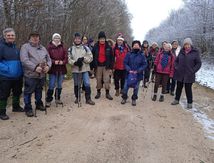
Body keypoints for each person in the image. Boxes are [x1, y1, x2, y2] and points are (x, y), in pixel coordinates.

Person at [20, 32, 52, 117]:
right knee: (28, 92)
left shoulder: (43, 48)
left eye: (37, 37)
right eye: (33, 37)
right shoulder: (25, 47)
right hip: (30, 74)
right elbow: (24, 60)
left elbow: (49, 59)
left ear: (39, 38)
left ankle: (39, 104)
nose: (35, 38)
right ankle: (28, 108)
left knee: (39, 90)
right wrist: (34, 67)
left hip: (42, 75)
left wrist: (48, 66)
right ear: (29, 38)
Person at [0, 28, 24, 120]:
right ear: (5, 36)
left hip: (18, 76)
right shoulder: (1, 46)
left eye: (12, 35)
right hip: (5, 76)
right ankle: (2, 112)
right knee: (3, 95)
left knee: (17, 92)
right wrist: (7, 69)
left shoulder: (16, 47)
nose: (11, 37)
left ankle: (16, 106)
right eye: (8, 35)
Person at [171, 38, 201, 109]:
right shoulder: (181, 52)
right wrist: (177, 67)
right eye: (185, 45)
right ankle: (176, 100)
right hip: (180, 74)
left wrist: (193, 70)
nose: (186, 46)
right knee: (178, 87)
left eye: (188, 44)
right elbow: (176, 61)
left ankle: (189, 103)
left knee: (188, 89)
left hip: (189, 74)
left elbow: (199, 63)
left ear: (190, 44)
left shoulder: (195, 52)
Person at [68, 32, 95, 105]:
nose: (77, 40)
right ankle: (77, 97)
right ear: (74, 39)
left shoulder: (85, 48)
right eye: (76, 38)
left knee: (87, 83)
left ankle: (88, 99)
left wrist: (83, 59)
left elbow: (90, 57)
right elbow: (69, 59)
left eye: (79, 39)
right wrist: (75, 62)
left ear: (81, 39)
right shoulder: (70, 49)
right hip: (75, 69)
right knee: (76, 84)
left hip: (85, 69)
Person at [121, 40, 147, 106]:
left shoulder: (142, 55)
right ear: (132, 46)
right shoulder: (129, 54)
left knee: (136, 88)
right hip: (128, 74)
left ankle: (134, 99)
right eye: (134, 45)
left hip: (138, 74)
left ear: (139, 46)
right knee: (125, 87)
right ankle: (124, 97)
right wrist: (128, 69)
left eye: (137, 45)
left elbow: (144, 64)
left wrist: (138, 70)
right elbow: (125, 62)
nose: (136, 46)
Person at [45, 33, 68, 107]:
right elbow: (47, 58)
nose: (57, 39)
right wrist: (54, 61)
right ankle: (48, 100)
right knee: (51, 85)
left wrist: (63, 62)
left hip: (61, 69)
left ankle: (57, 98)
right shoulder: (49, 47)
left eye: (58, 38)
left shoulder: (63, 47)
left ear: (60, 39)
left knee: (59, 85)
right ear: (52, 39)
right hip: (52, 69)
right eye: (55, 38)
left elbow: (66, 57)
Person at [92, 31, 114, 100]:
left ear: (105, 39)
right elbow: (92, 57)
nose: (102, 40)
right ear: (98, 39)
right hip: (98, 66)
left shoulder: (109, 47)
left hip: (106, 66)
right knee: (98, 79)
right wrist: (92, 67)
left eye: (103, 38)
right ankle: (98, 92)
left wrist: (111, 68)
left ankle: (107, 93)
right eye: (101, 38)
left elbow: (112, 58)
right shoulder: (95, 47)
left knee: (106, 79)